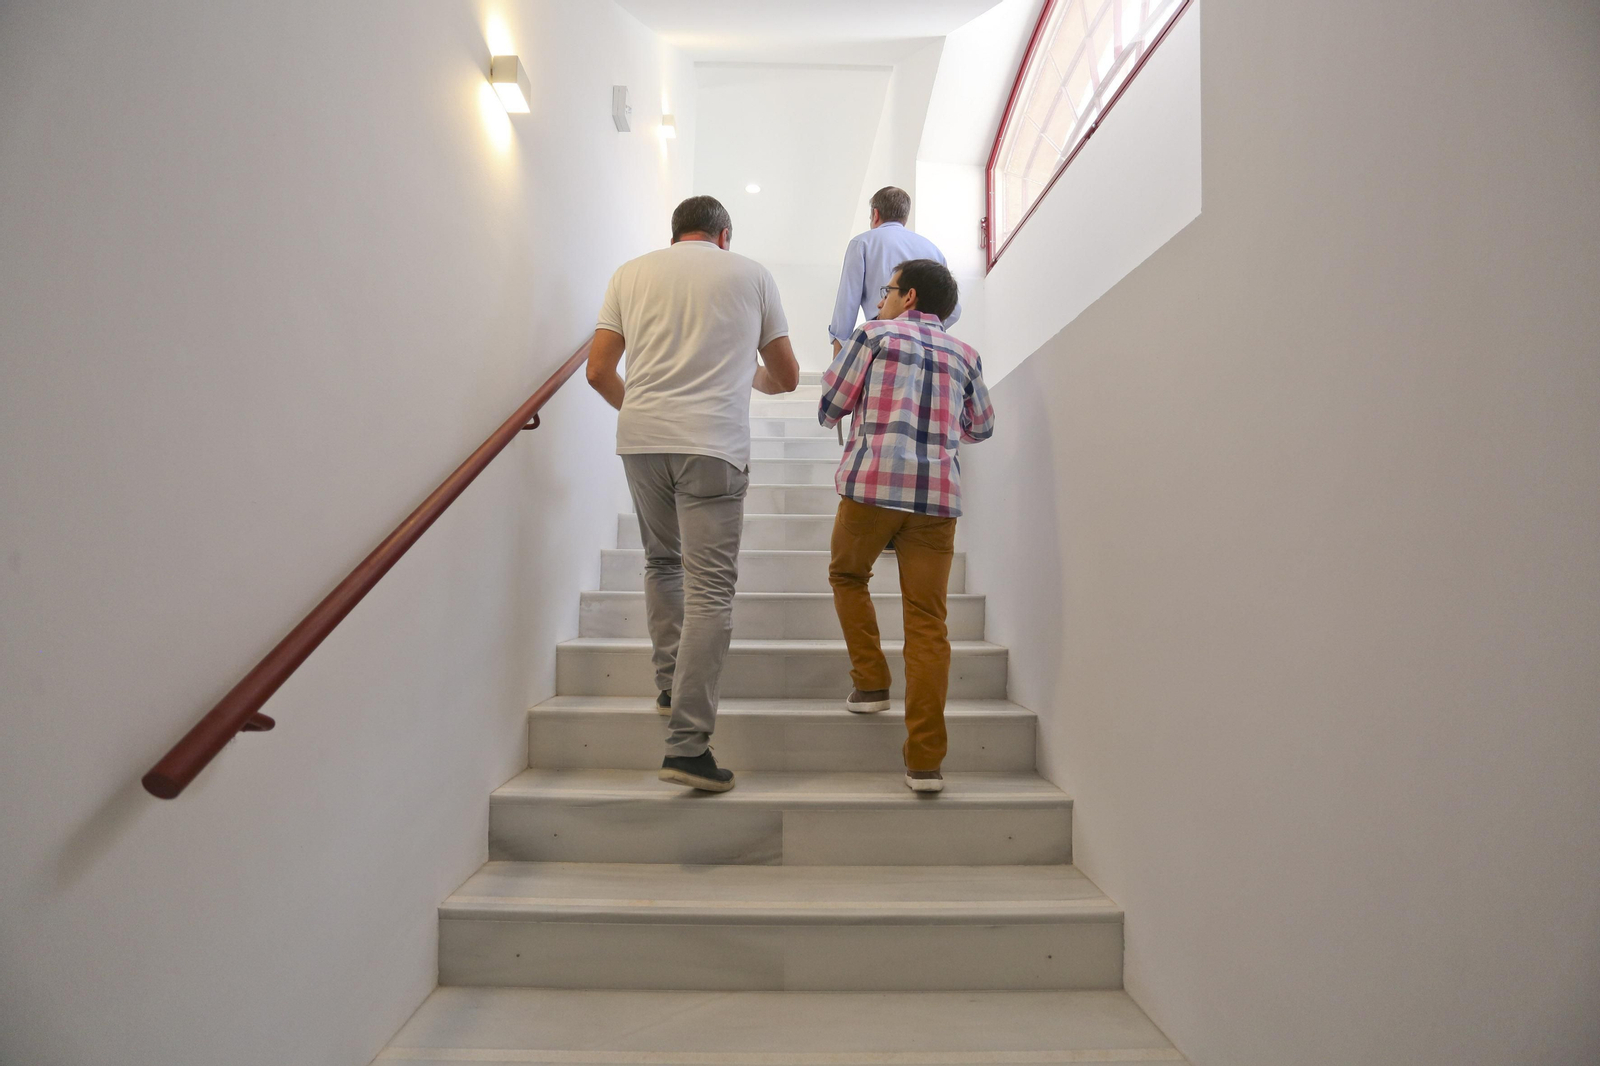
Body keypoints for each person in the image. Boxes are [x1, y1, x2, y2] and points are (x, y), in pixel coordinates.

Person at [587, 195, 800, 793]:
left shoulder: (630, 272)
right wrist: (744, 374)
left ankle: (667, 682)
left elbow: (600, 370)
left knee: (661, 562)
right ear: (724, 235)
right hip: (713, 445)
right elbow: (785, 376)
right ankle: (686, 745)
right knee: (710, 588)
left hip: (642, 440)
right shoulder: (752, 274)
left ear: (675, 233)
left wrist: (649, 416)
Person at [818, 259, 993, 793]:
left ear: (910, 295)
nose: (881, 300)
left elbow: (830, 406)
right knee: (927, 622)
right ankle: (925, 763)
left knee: (848, 577)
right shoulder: (966, 353)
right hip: (935, 502)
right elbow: (981, 427)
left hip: (871, 489)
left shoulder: (871, 336)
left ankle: (871, 684)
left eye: (888, 290)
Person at [827, 186, 962, 358]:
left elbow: (847, 302)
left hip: (883, 334)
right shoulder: (932, 249)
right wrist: (932, 328)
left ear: (875, 214)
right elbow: (954, 310)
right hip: (928, 343)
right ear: (905, 217)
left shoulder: (862, 243)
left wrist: (838, 357)